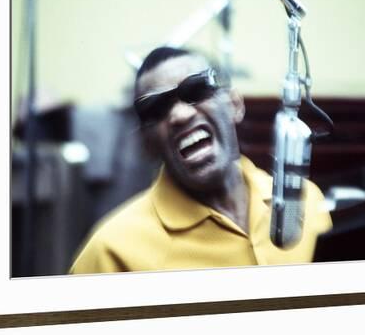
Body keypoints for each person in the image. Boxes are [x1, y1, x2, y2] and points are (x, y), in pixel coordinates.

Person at [69, 47, 332, 274]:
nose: (180, 115)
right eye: (157, 109)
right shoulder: (111, 249)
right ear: (146, 144)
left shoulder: (308, 203)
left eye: (196, 90)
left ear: (234, 104)